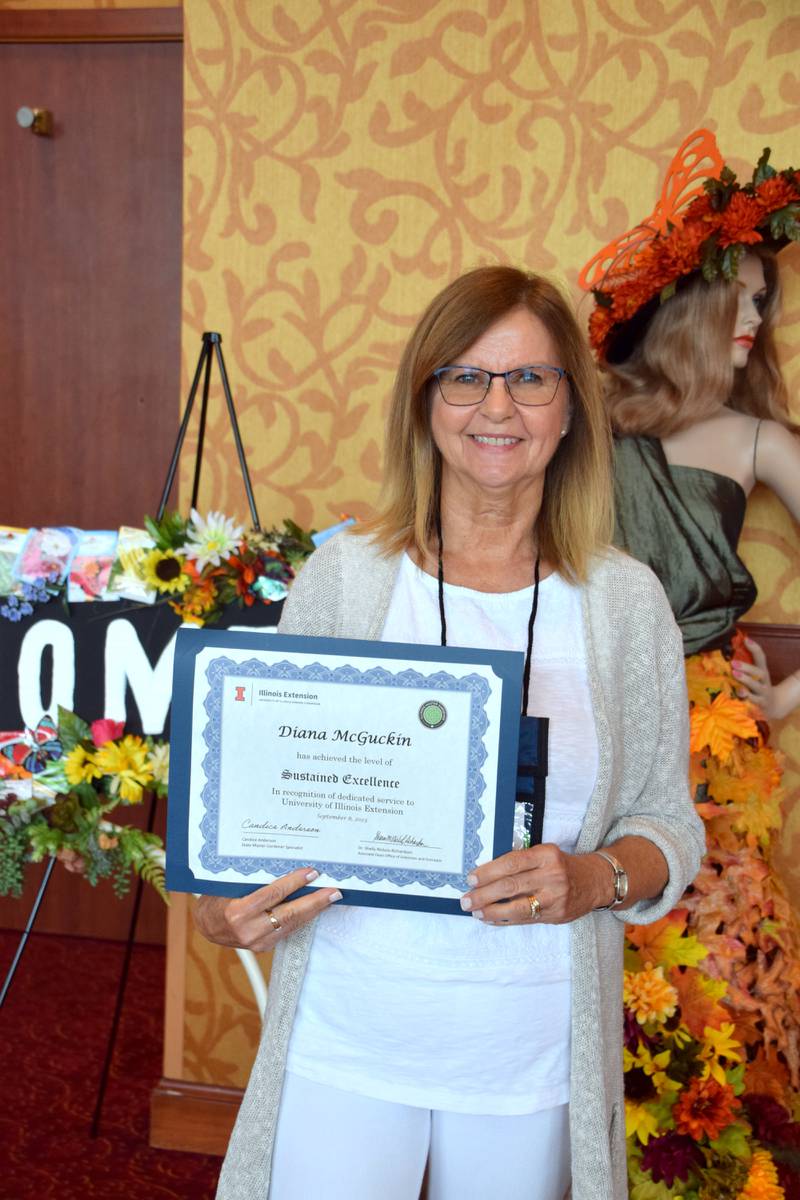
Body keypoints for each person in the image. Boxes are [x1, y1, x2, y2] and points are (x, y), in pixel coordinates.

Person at [195, 265, 704, 1200]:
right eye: (465, 377)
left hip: (529, 1052)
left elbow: (669, 823)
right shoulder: (345, 579)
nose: (496, 406)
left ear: (569, 409)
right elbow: (263, 800)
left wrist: (592, 876)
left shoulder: (625, 602)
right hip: (347, 1035)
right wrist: (222, 906)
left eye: (529, 378)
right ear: (425, 401)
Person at [580, 130, 800, 1195]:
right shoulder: (581, 422)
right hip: (588, 714)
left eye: (765, 300)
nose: (757, 321)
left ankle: (710, 1161)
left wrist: (787, 697)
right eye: (742, 298)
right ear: (688, 308)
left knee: (710, 957)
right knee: (592, 938)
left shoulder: (758, 442)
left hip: (710, 727)